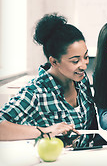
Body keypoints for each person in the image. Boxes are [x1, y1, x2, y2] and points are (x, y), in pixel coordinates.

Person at [0, 13, 98, 141]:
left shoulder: (81, 80)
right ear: (54, 62)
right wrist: (46, 131)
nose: (84, 66)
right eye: (75, 61)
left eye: (85, 57)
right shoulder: (35, 91)